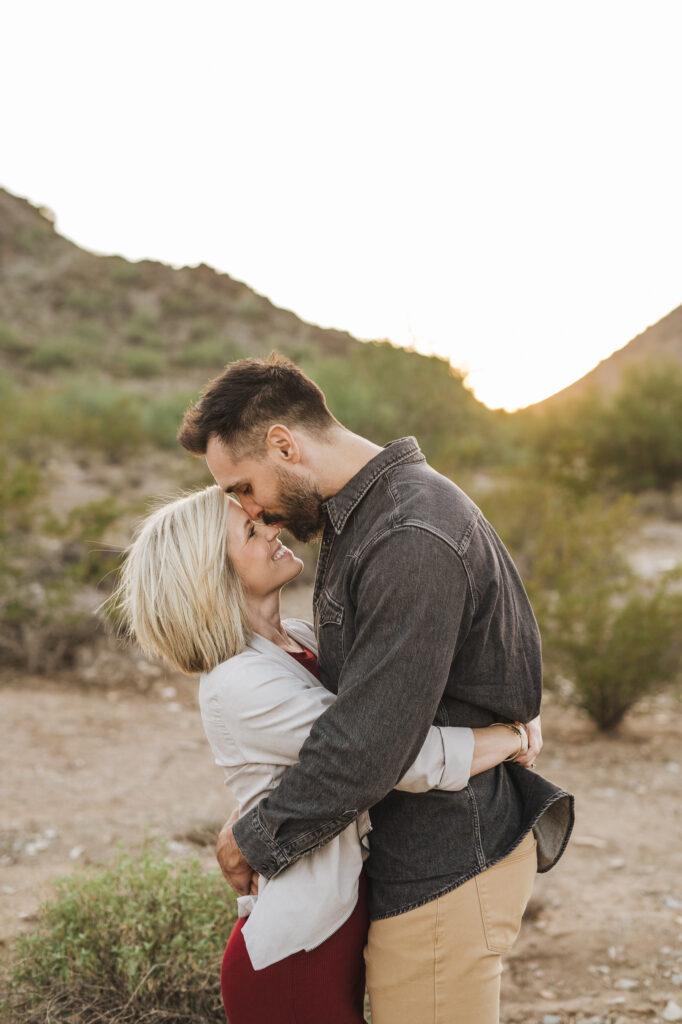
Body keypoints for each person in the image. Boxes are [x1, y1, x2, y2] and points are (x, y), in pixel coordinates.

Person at [178, 355, 575, 1024]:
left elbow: (366, 745)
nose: (251, 512)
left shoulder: (405, 534)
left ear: (284, 444)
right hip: (418, 859)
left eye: (245, 487)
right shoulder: (368, 521)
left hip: (446, 860)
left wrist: (256, 835)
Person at [114, 485, 534, 1024]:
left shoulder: (299, 639)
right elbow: (386, 756)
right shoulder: (238, 682)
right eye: (251, 530)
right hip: (298, 957)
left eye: (263, 519)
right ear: (211, 574)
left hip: (340, 926)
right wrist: (509, 739)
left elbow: (398, 708)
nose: (274, 530)